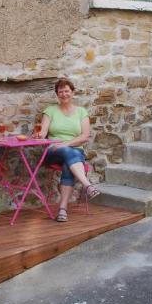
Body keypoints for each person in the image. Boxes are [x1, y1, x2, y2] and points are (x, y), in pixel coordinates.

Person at [35, 77, 100, 222]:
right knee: (68, 152)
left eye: (67, 91)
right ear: (57, 94)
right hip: (53, 150)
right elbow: (43, 133)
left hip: (74, 151)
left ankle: (63, 210)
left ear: (72, 92)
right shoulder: (50, 111)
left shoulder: (81, 112)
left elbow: (85, 136)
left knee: (68, 162)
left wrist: (66, 143)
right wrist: (39, 135)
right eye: (60, 92)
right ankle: (87, 185)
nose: (64, 94)